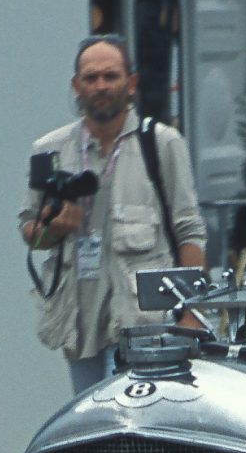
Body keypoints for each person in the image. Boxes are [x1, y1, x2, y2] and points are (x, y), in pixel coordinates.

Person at [20, 35, 207, 393]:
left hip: (147, 325)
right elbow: (30, 231)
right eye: (91, 78)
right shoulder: (50, 151)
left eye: (111, 76)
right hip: (81, 323)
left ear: (131, 83)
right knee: (92, 426)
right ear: (76, 86)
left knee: (142, 425)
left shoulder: (162, 144)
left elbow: (189, 231)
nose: (101, 86)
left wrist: (191, 314)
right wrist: (53, 228)